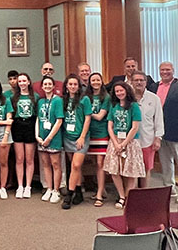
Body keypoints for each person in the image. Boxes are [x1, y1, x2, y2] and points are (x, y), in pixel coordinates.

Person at [104, 81, 146, 209]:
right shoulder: (114, 106)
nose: (119, 93)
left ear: (127, 91)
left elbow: (134, 127)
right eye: (117, 91)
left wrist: (123, 144)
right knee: (114, 170)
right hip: (115, 141)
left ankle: (129, 197)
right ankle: (121, 196)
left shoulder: (134, 106)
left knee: (130, 171)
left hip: (130, 141)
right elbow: (110, 126)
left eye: (121, 90)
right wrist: (116, 143)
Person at [61, 74, 92, 210]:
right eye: (70, 84)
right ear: (66, 86)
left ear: (79, 86)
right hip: (67, 136)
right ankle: (78, 192)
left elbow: (87, 118)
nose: (73, 86)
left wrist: (82, 136)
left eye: (75, 84)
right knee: (75, 167)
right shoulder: (63, 100)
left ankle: (69, 194)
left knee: (75, 165)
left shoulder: (84, 100)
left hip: (81, 137)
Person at [35, 76, 64, 204]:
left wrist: (49, 138)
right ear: (42, 87)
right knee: (45, 164)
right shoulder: (40, 101)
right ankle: (49, 187)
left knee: (55, 164)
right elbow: (38, 119)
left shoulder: (58, 101)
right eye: (45, 84)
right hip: (41, 137)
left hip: (53, 137)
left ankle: (56, 190)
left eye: (49, 84)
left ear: (53, 86)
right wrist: (37, 135)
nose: (47, 86)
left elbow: (59, 120)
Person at [133, 71, 164, 188]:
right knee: (132, 171)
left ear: (146, 82)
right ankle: (132, 196)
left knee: (146, 169)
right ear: (131, 82)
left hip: (148, 140)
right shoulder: (127, 97)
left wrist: (158, 138)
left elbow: (159, 120)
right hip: (131, 141)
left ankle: (144, 194)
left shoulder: (154, 98)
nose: (139, 82)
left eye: (142, 80)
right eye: (136, 80)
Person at [85, 72, 111, 207]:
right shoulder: (86, 96)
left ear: (102, 81)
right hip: (89, 132)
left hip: (101, 133)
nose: (95, 82)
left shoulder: (106, 97)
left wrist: (87, 113)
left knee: (101, 163)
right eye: (93, 80)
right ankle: (101, 188)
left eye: (98, 80)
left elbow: (101, 116)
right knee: (95, 162)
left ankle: (100, 193)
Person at [152, 62, 178, 196]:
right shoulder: (154, 86)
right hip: (159, 132)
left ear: (173, 70)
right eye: (162, 70)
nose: (165, 72)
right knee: (165, 161)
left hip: (175, 130)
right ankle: (170, 189)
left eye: (168, 69)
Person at [11, 73, 38, 199]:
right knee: (19, 158)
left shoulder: (35, 97)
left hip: (30, 125)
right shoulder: (13, 97)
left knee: (29, 159)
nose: (22, 83)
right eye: (20, 81)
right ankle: (20, 186)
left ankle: (28, 186)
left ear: (28, 82)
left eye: (24, 81)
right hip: (17, 126)